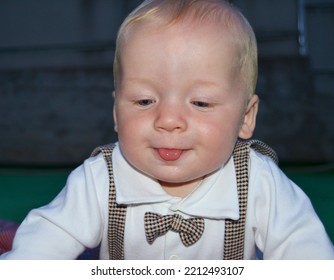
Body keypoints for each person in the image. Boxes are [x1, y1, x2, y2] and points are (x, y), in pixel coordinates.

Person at [1, 0, 333, 260]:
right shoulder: (100, 178)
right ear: (116, 113)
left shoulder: (260, 183)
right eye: (144, 101)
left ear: (246, 117)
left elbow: (306, 254)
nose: (168, 120)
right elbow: (45, 242)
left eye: (200, 103)